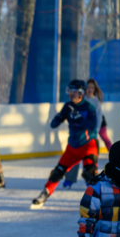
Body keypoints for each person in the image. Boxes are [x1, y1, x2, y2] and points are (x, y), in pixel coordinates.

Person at [31, 80, 98, 208]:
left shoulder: (89, 107)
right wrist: (60, 116)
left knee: (89, 174)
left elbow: (92, 125)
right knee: (57, 172)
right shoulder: (68, 106)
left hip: (88, 145)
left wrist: (78, 119)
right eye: (70, 91)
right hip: (72, 147)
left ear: (81, 93)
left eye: (74, 91)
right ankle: (45, 193)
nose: (71, 94)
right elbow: (53, 125)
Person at [63, 79, 111, 189]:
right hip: (79, 134)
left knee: (91, 158)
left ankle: (90, 180)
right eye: (88, 88)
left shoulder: (96, 103)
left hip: (91, 134)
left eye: (92, 88)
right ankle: (69, 179)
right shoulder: (80, 99)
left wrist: (94, 132)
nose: (89, 90)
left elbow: (98, 119)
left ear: (94, 90)